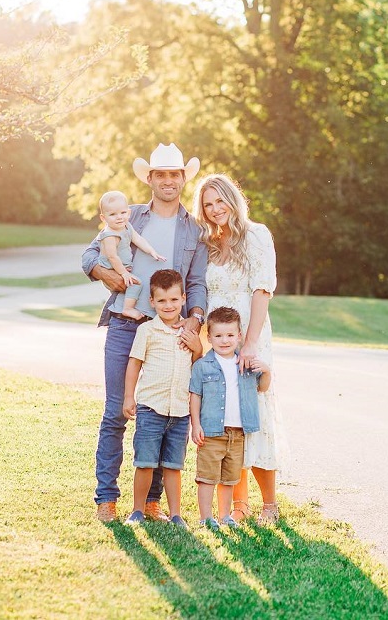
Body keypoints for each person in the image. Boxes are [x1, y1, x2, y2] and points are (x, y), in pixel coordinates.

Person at [83, 143, 209, 524]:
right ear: (150, 179)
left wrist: (195, 320)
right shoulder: (128, 215)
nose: (169, 181)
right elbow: (89, 256)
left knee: (164, 413)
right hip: (126, 325)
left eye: (175, 174)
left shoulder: (195, 229)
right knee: (115, 412)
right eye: (161, 175)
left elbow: (198, 283)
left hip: (170, 331)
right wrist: (110, 277)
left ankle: (152, 501)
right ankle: (107, 498)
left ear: (183, 179)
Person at [192, 173, 283, 525]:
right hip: (218, 339)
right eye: (208, 204)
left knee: (255, 414)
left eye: (220, 201)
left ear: (234, 199)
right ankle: (238, 504)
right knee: (227, 414)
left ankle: (269, 504)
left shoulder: (257, 235)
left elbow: (262, 290)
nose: (216, 210)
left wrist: (250, 343)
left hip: (250, 335)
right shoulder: (210, 243)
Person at [122, 270, 203, 526]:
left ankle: (176, 514)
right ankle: (137, 510)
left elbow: (196, 366)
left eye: (173, 300)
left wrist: (198, 348)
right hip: (150, 407)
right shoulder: (147, 330)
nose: (168, 306)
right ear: (152, 301)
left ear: (183, 298)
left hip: (180, 410)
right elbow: (134, 363)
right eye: (162, 301)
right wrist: (128, 397)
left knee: (173, 465)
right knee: (145, 462)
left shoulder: (190, 333)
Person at [189, 306, 270, 529]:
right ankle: (206, 517)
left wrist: (267, 371)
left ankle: (225, 515)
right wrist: (195, 425)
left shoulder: (245, 364)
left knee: (229, 479)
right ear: (209, 337)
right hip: (212, 431)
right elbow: (195, 396)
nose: (224, 340)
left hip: (238, 432)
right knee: (207, 477)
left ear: (239, 336)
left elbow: (262, 388)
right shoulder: (202, 366)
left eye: (230, 335)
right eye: (218, 335)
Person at [95, 190, 166, 320]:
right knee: (137, 283)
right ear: (103, 218)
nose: (119, 217)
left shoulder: (126, 226)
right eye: (112, 214)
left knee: (130, 287)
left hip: (122, 268)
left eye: (123, 213)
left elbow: (138, 239)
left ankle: (127, 304)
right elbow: (112, 257)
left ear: (128, 212)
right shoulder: (109, 235)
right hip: (112, 269)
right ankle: (127, 309)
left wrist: (152, 251)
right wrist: (124, 273)